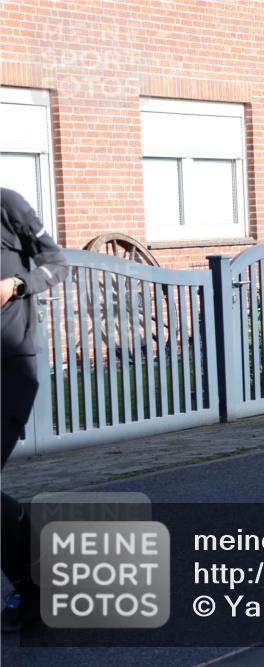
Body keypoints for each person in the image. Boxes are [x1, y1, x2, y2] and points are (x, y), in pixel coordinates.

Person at [1, 187, 68, 632]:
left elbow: (58, 264)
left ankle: (38, 586)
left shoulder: (8, 205)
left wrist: (19, 283)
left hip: (9, 369)